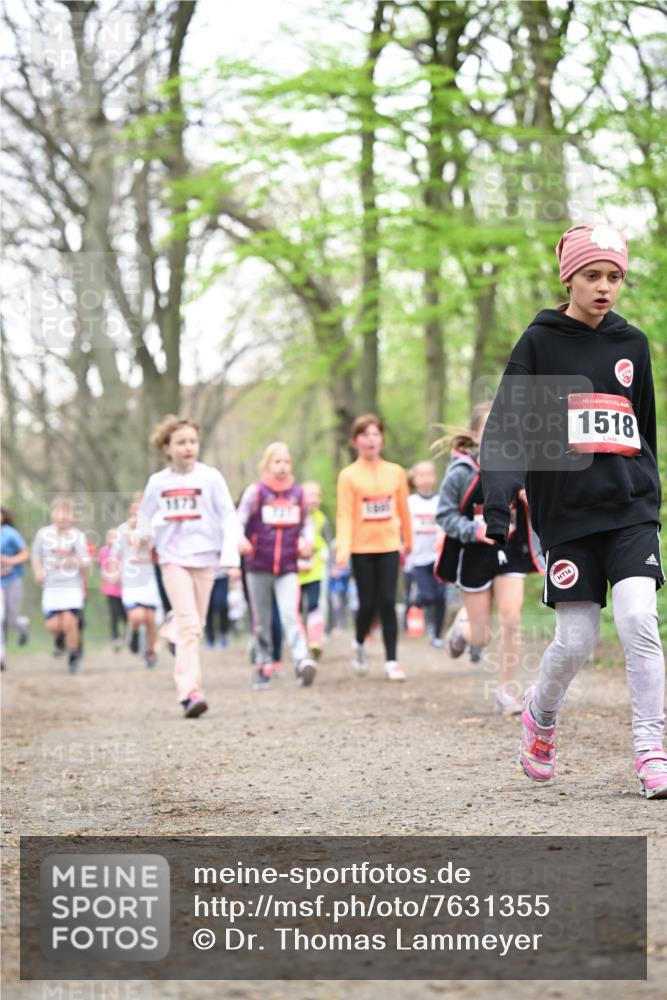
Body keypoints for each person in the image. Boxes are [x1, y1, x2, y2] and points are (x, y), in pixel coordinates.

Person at [481, 223, 666, 798]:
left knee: (639, 620)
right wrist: (499, 502)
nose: (605, 287)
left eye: (614, 276)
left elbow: (644, 429)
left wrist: (649, 492)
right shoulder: (540, 343)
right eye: (593, 275)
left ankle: (651, 748)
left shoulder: (632, 344)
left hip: (631, 509)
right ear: (569, 278)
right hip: (567, 518)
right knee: (578, 639)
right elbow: (508, 427)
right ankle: (540, 712)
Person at [436, 405, 544, 713]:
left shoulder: (522, 470)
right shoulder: (460, 473)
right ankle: (462, 629)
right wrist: (474, 529)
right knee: (481, 637)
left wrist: (530, 499)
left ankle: (506, 692)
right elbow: (444, 516)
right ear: (475, 435)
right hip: (473, 556)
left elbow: (545, 511)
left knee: (512, 619)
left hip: (509, 553)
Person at [138, 416, 241, 717]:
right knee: (190, 627)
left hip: (205, 558)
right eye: (181, 442)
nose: (188, 447)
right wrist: (144, 535)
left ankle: (170, 630)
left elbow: (228, 516)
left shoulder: (210, 478)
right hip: (173, 560)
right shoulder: (158, 483)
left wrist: (231, 552)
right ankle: (190, 692)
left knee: (196, 624)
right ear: (166, 447)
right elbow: (145, 517)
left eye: (192, 442)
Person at [335, 414, 412, 681]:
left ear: (382, 439)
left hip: (389, 545)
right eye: (365, 435)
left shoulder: (396, 472)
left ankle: (392, 660)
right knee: (367, 604)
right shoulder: (348, 476)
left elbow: (404, 508)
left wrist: (409, 541)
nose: (371, 439)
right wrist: (343, 550)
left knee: (389, 602)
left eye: (375, 434)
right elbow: (344, 514)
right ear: (355, 441)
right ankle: (359, 643)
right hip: (360, 548)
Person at [237, 442, 317, 690]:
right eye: (277, 462)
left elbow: (306, 525)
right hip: (258, 564)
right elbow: (237, 522)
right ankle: (263, 665)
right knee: (261, 618)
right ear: (267, 465)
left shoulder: (298, 495)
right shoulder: (256, 493)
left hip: (287, 566)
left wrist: (307, 541)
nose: (282, 467)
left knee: (290, 614)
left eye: (286, 462)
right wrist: (240, 540)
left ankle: (302, 660)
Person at [31, 496, 89, 673]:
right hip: (51, 587)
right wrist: (38, 572)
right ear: (52, 515)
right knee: (54, 626)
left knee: (70, 621)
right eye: (58, 512)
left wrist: (76, 562)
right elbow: (35, 556)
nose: (62, 517)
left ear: (72, 516)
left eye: (66, 513)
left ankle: (73, 656)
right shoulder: (43, 534)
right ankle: (61, 638)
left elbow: (86, 560)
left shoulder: (77, 536)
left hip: (72, 586)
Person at [115, 494, 161, 668]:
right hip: (131, 580)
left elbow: (153, 547)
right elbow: (116, 552)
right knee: (137, 615)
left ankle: (150, 652)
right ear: (131, 508)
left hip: (149, 578)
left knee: (150, 618)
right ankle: (133, 633)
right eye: (136, 506)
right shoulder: (122, 529)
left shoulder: (153, 529)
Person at [407, 461, 447, 648]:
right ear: (414, 480)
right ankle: (416, 602)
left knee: (440, 597)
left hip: (439, 557)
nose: (425, 479)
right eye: (421, 475)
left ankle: (436, 634)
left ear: (434, 477)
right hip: (418, 558)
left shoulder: (441, 501)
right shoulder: (410, 503)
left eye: (429, 474)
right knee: (428, 596)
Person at [298, 480, 330, 659]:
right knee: (296, 608)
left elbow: (327, 541)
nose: (314, 499)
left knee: (313, 604)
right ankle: (300, 641)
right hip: (295, 571)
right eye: (310, 495)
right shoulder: (295, 516)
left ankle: (315, 641)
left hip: (315, 570)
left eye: (317, 495)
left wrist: (328, 559)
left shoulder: (321, 518)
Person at [1, 507, 30, 646]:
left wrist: (9, 560)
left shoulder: (10, 534)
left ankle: (23, 627)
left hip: (13, 579)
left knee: (11, 619)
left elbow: (25, 554)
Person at [97, 528, 125, 652]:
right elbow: (102, 567)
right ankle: (115, 638)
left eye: (115, 537)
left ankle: (127, 637)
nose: (112, 540)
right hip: (110, 589)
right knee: (114, 614)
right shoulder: (103, 551)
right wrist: (110, 578)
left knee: (125, 614)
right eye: (110, 536)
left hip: (124, 589)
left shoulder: (123, 550)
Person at [205, 569, 230, 648]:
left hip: (222, 575)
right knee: (207, 608)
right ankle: (210, 638)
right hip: (205, 575)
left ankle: (223, 633)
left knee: (222, 604)